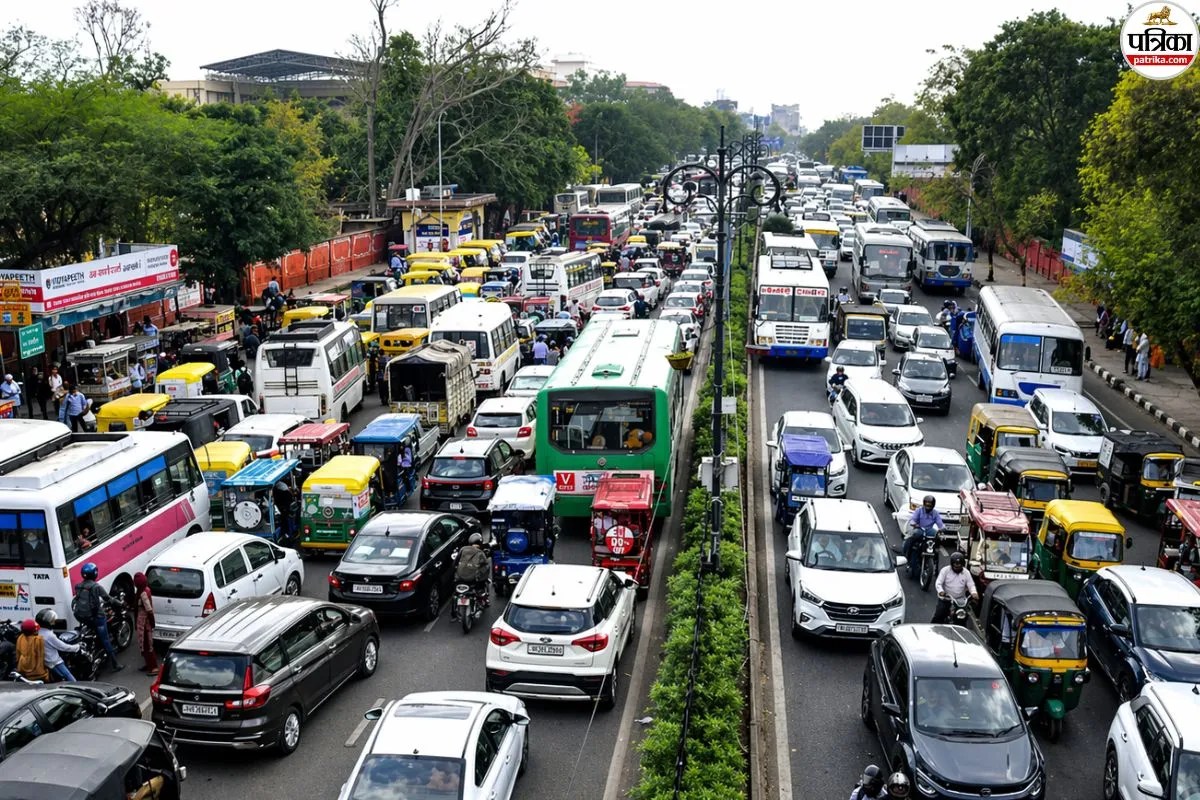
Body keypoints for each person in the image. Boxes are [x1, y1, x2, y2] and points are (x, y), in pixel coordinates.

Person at [72, 562, 123, 672]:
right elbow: (108, 599)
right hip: (96, 618)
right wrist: (119, 603)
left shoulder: (78, 586)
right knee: (105, 639)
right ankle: (115, 664)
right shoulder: (96, 587)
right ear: (95, 574)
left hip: (81, 617)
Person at [900, 496, 943, 576]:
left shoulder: (935, 513)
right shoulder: (918, 511)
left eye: (930, 505)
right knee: (915, 535)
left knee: (937, 538)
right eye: (926, 504)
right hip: (919, 529)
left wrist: (942, 529)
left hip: (929, 530)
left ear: (933, 505)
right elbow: (913, 520)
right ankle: (907, 555)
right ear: (923, 503)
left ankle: (935, 565)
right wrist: (914, 524)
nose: (928, 506)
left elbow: (940, 523)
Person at [451, 533, 490, 620]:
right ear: (480, 542)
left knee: (455, 594)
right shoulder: (480, 553)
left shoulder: (463, 549)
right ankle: (484, 600)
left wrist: (455, 573)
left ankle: (453, 614)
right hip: (473, 580)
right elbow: (486, 566)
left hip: (460, 578)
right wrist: (482, 576)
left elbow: (455, 563)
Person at [932, 551, 979, 624]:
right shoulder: (945, 570)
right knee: (938, 616)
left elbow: (971, 584)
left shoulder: (966, 572)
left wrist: (974, 593)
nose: (957, 568)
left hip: (960, 601)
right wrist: (941, 591)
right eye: (955, 566)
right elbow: (938, 583)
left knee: (964, 618)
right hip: (946, 599)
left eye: (959, 566)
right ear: (952, 564)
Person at [35, 610, 80, 682]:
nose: (54, 622)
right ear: (48, 622)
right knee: (69, 676)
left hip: (43, 660)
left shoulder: (38, 631)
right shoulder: (49, 636)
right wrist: (77, 647)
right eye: (52, 621)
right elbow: (63, 647)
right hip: (53, 661)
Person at [132, 572, 158, 674]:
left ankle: (153, 667)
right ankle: (149, 664)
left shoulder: (143, 593)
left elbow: (149, 610)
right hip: (142, 622)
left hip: (145, 624)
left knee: (147, 645)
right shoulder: (143, 590)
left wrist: (152, 623)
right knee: (144, 644)